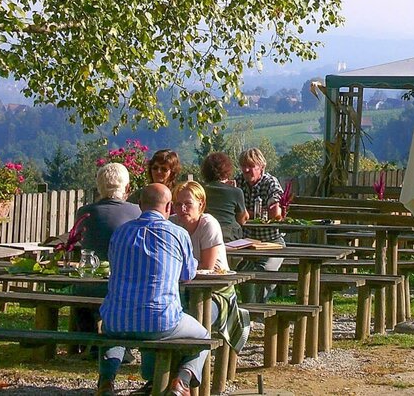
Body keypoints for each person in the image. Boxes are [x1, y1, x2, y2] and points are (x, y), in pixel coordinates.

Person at [97, 183, 205, 396]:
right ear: (168, 208)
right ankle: (181, 381)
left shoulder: (120, 233)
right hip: (161, 320)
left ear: (140, 205)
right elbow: (188, 274)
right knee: (203, 337)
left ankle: (106, 382)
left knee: (112, 330)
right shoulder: (178, 234)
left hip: (116, 319)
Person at [170, 181, 250, 353]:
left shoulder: (208, 224)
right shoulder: (172, 224)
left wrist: (177, 265)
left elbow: (207, 266)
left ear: (201, 204)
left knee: (195, 315)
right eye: (178, 204)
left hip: (215, 291)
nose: (182, 208)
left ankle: (188, 367)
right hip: (182, 289)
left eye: (188, 203)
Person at [71, 163, 141, 354]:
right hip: (124, 288)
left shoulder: (84, 212)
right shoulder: (137, 212)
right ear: (127, 188)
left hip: (89, 286)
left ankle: (87, 342)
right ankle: (121, 346)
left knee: (81, 291)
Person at [234, 148, 285, 303]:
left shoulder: (270, 183)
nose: (246, 170)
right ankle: (250, 309)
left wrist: (246, 213)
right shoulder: (238, 182)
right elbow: (231, 210)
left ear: (261, 167)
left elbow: (275, 213)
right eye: (243, 166)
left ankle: (258, 308)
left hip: (271, 243)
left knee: (265, 273)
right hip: (247, 243)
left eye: (251, 166)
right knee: (242, 270)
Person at [200, 152, 249, 242]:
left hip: (205, 234)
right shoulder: (236, 192)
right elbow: (243, 219)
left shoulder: (200, 190)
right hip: (229, 237)